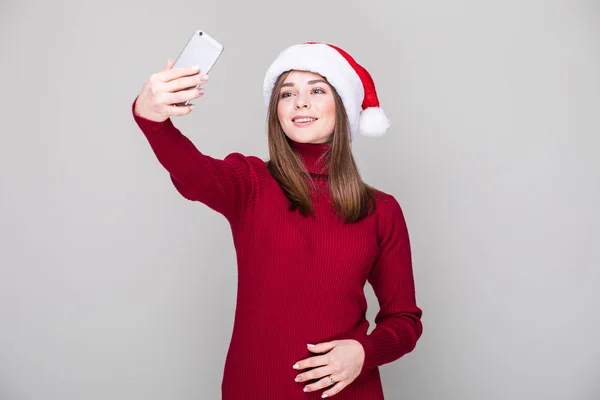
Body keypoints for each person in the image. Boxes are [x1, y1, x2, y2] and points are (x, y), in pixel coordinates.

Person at [131, 41, 423, 399]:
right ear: (277, 111)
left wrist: (364, 352)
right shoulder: (250, 183)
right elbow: (194, 175)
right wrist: (151, 120)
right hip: (255, 389)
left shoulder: (381, 210)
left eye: (317, 89)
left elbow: (404, 321)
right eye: (287, 93)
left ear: (344, 107)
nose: (300, 102)